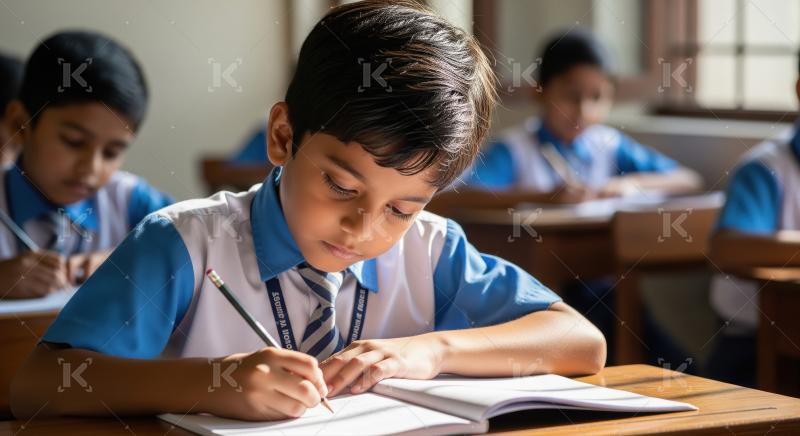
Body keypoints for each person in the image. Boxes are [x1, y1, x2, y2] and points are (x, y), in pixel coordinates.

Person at [11, 2, 605, 421]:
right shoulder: (185, 244)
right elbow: (42, 383)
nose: (364, 228)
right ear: (282, 135)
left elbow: (581, 340)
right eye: (342, 186)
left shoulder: (432, 249)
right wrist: (212, 384)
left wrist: (429, 351)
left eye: (401, 207)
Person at [0, 31, 172, 299]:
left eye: (112, 152)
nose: (91, 168)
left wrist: (128, 260)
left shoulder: (132, 201)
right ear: (20, 124)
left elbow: (204, 251)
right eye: (74, 142)